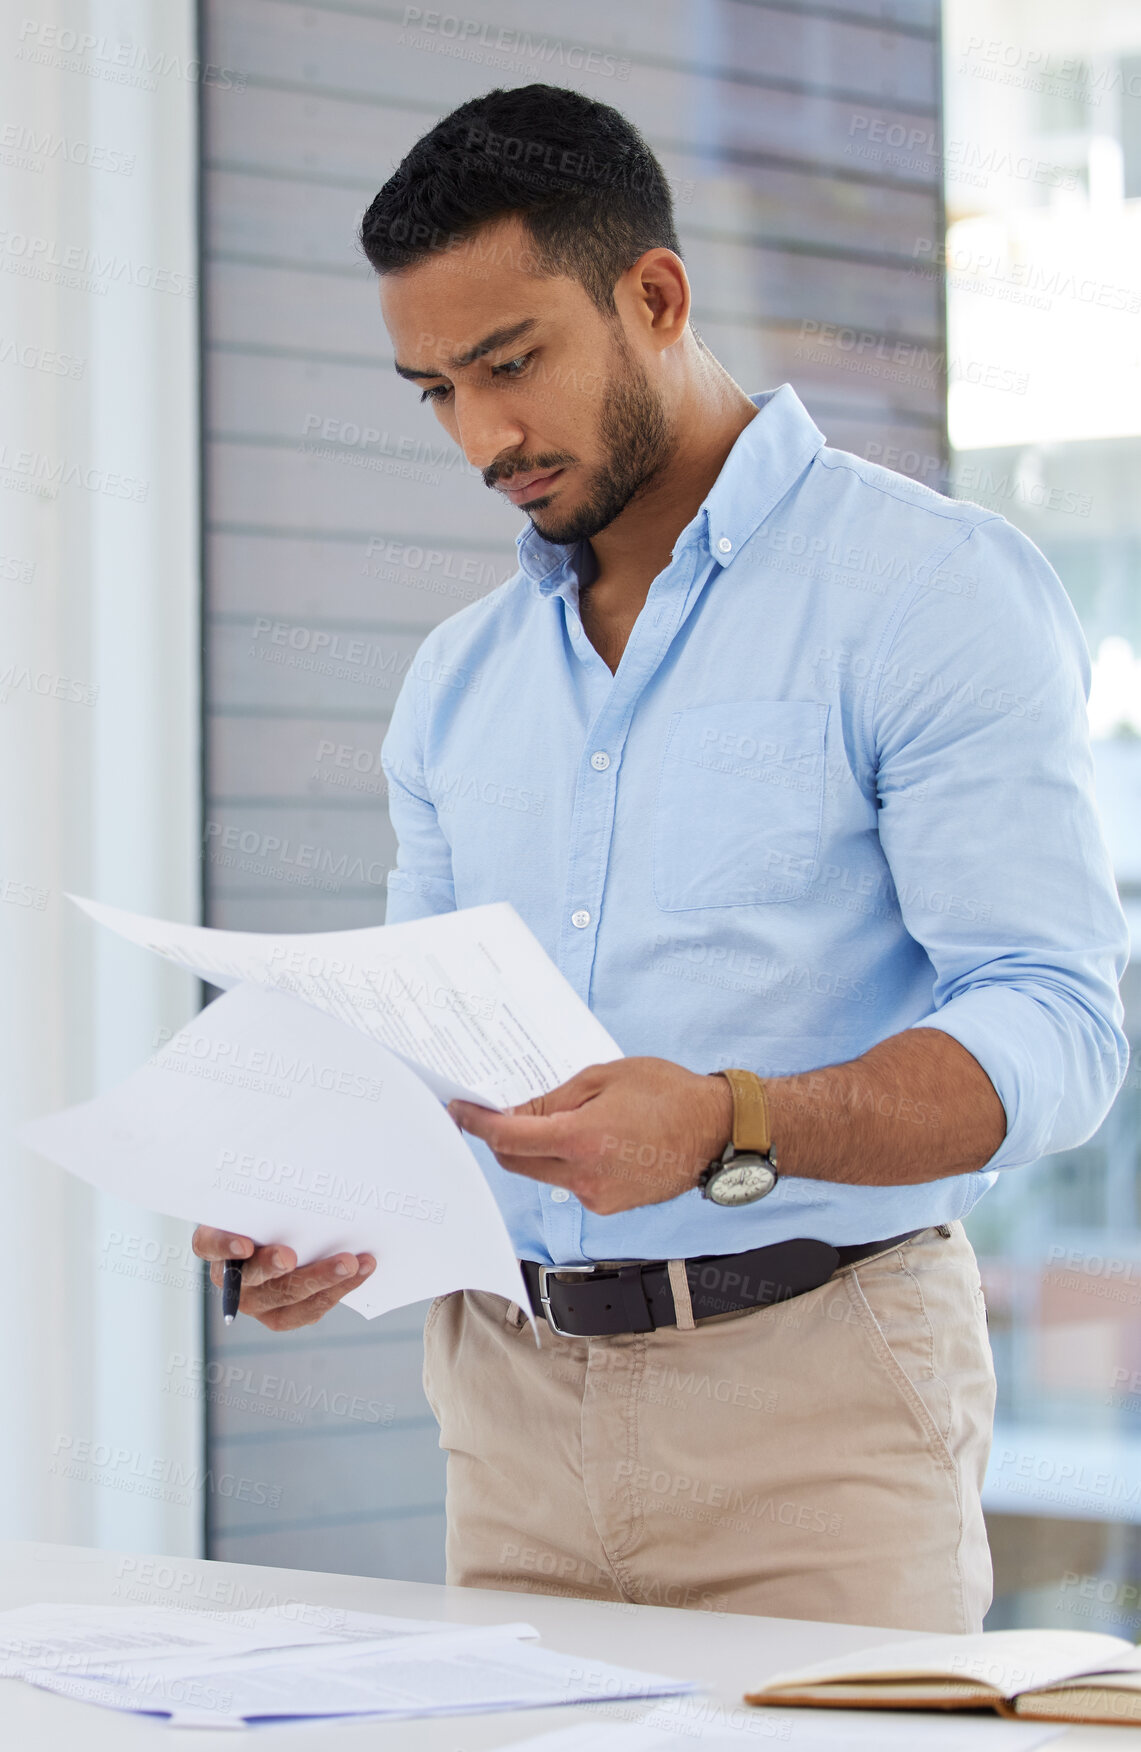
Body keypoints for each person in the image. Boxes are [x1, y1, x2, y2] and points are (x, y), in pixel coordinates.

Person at [194, 84, 1130, 1632]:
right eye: (434, 389)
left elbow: (1056, 1023)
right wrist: (307, 1196)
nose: (482, 433)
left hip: (816, 1408)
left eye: (512, 364)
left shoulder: (923, 592)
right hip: (503, 1408)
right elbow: (420, 1045)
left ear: (656, 295)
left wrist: (723, 1123)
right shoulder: (456, 682)